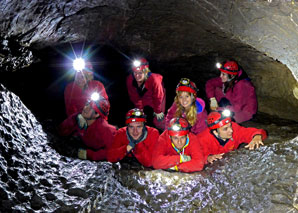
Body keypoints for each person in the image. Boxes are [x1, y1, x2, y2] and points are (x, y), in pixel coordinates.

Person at [58, 92, 117, 161]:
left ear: (97, 114)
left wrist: (89, 154)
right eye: (87, 105)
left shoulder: (106, 130)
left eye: (91, 108)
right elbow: (61, 131)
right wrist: (75, 118)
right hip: (88, 144)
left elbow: (114, 151)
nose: (86, 108)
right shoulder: (78, 117)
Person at [197, 110, 267, 164]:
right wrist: (208, 158)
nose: (231, 130)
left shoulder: (234, 128)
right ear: (215, 132)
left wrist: (257, 136)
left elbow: (254, 132)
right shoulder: (202, 139)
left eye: (230, 125)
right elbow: (194, 156)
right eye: (225, 129)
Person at [126, 57, 166, 130]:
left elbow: (158, 96)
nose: (137, 76)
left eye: (140, 73)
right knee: (141, 116)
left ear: (146, 72)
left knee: (158, 119)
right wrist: (140, 110)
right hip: (143, 95)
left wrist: (158, 111)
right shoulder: (130, 80)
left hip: (157, 94)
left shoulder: (154, 80)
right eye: (135, 73)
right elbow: (134, 96)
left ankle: (164, 129)